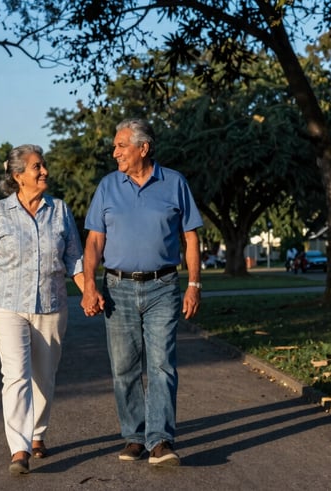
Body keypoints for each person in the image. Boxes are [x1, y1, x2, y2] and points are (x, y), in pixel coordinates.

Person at [81, 118, 203, 467]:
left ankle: (160, 440)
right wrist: (89, 285)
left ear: (143, 148)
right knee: (124, 367)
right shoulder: (107, 186)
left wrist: (194, 285)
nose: (115, 151)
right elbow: (94, 241)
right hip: (117, 287)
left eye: (121, 145)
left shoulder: (175, 182)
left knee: (162, 364)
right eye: (116, 146)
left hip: (164, 285)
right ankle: (134, 436)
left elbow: (191, 237)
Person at [0, 144, 86, 476]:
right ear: (19, 176)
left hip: (51, 304)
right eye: (37, 167)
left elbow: (74, 259)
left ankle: (37, 434)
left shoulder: (60, 210)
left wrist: (89, 292)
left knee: (44, 375)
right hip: (7, 305)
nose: (44, 171)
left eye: (44, 165)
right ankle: (19, 448)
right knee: (15, 375)